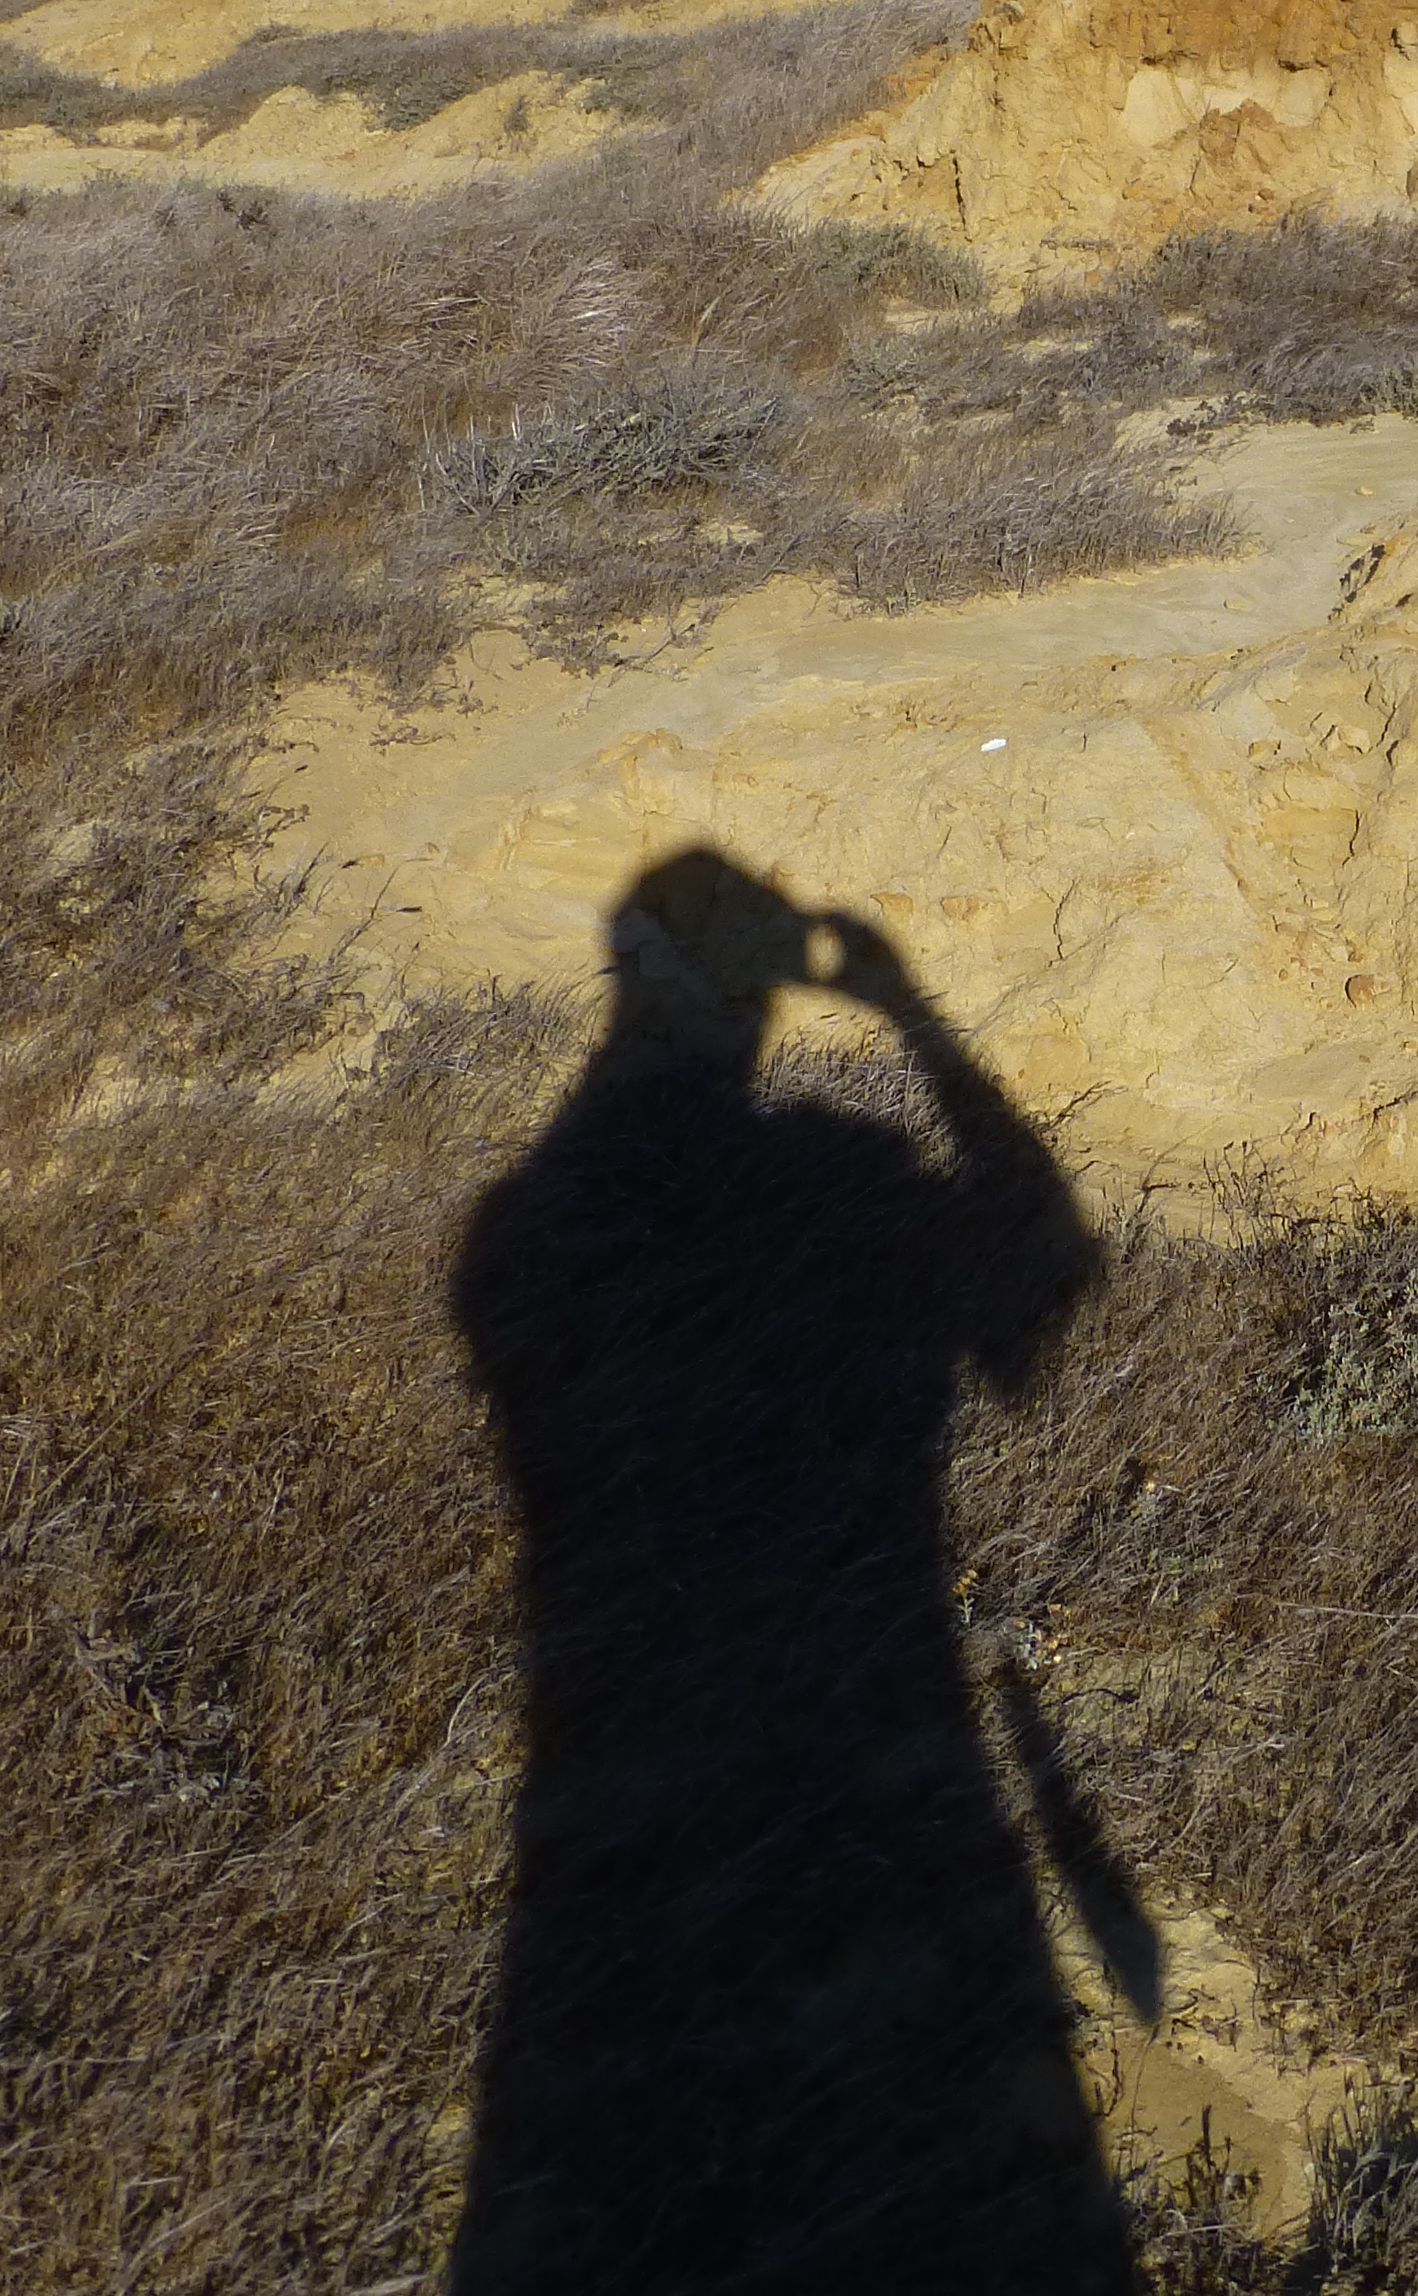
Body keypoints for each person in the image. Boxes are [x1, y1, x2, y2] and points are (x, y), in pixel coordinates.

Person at [446, 849, 1138, 2294]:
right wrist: (914, 1018)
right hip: (880, 1703)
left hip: (613, 1749)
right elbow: (1049, 1282)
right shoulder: (855, 1172)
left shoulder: (513, 1226)